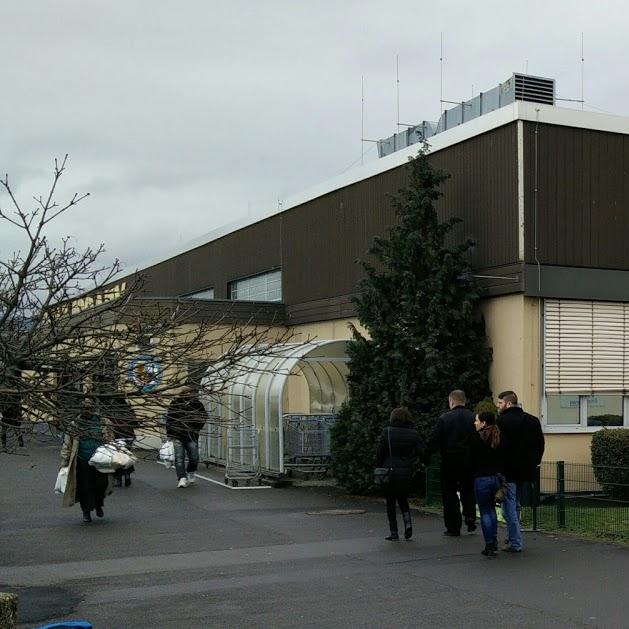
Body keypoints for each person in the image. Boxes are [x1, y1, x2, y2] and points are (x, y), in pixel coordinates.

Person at [496, 390, 545, 553]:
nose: (498, 406)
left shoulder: (501, 422)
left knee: (508, 506)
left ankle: (515, 541)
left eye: (500, 403)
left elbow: (498, 447)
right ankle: (512, 538)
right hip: (526, 470)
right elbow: (540, 444)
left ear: (509, 403)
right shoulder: (532, 420)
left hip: (508, 470)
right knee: (516, 503)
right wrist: (534, 462)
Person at [428, 389, 477, 536]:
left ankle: (453, 526)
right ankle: (470, 517)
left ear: (452, 401)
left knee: (449, 494)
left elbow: (434, 440)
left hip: (449, 460)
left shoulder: (444, 418)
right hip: (468, 460)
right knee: (468, 490)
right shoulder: (473, 417)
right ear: (464, 401)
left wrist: (428, 455)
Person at [59, 398, 114, 523]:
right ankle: (86, 512)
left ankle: (99, 504)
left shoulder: (103, 423)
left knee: (101, 484)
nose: (87, 411)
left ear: (94, 409)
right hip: (82, 459)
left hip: (100, 459)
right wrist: (64, 462)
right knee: (85, 487)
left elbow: (110, 439)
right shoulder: (75, 424)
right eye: (84, 408)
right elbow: (67, 444)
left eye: (89, 408)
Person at [375, 407, 425, 541]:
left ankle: (394, 532)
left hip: (389, 471)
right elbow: (422, 452)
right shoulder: (413, 433)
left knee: (390, 501)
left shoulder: (387, 432)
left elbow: (380, 452)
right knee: (403, 499)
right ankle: (408, 524)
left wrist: (379, 466)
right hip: (406, 470)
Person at [468, 411, 504, 557]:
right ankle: (494, 541)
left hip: (481, 478)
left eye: (477, 421)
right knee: (492, 511)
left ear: (484, 423)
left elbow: (469, 460)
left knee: (485, 511)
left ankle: (489, 543)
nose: (474, 423)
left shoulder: (476, 439)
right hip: (496, 478)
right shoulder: (499, 436)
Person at [165, 387, 207, 488]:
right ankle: (182, 478)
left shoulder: (196, 404)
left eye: (190, 392)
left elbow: (203, 416)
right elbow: (170, 419)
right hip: (177, 435)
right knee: (179, 458)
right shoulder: (175, 403)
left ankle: (191, 471)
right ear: (182, 393)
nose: (189, 394)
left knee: (194, 457)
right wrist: (170, 434)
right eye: (187, 392)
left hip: (191, 435)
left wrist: (196, 428)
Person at [105, 393, 138, 488]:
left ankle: (118, 478)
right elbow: (136, 423)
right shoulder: (128, 409)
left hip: (117, 436)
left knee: (118, 458)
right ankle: (127, 475)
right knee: (127, 456)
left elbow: (108, 423)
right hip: (128, 436)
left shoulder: (111, 410)